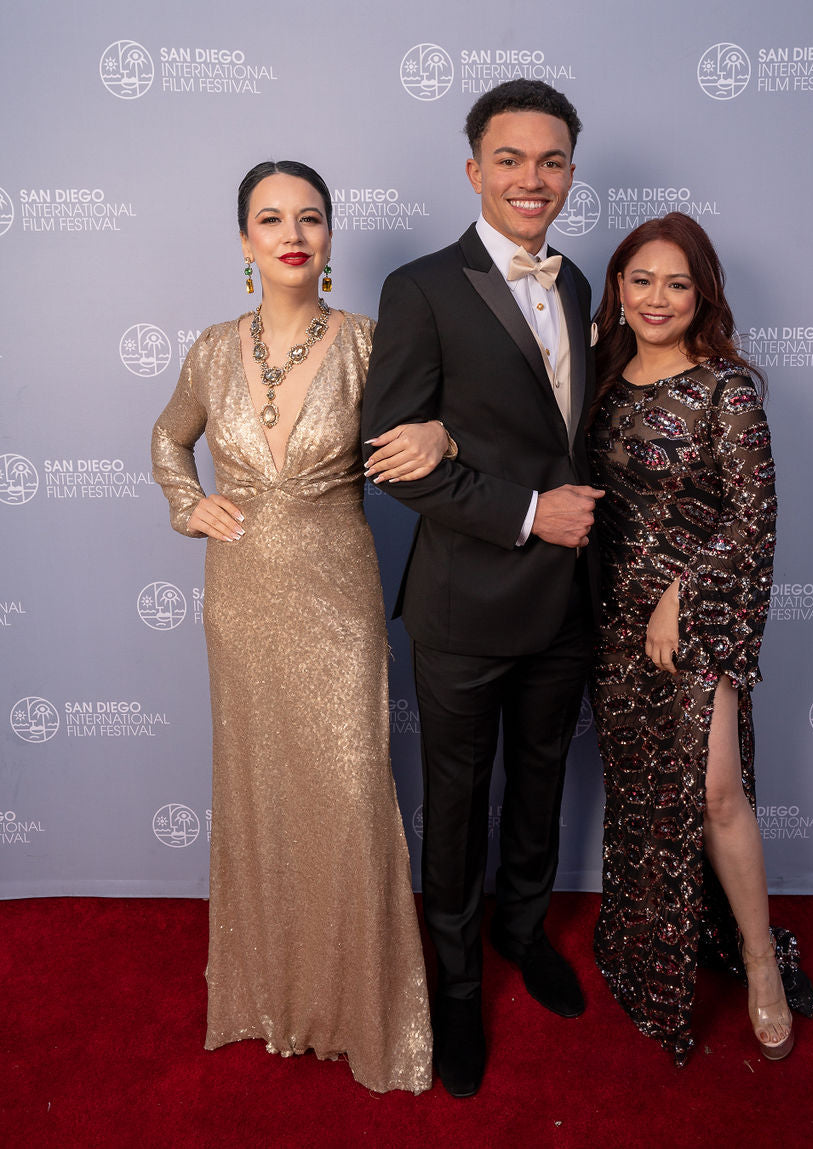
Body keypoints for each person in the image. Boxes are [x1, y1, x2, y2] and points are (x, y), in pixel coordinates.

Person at [151, 160, 448, 1094]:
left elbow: (444, 422)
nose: (292, 234)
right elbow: (169, 437)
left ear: (329, 236)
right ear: (245, 239)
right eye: (271, 218)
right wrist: (187, 503)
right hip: (241, 597)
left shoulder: (368, 343)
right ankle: (273, 995)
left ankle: (362, 1009)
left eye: (310, 217)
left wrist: (441, 433)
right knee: (260, 787)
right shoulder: (210, 350)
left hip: (337, 594)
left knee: (351, 790)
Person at [361, 81, 602, 1098]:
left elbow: (561, 430)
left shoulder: (580, 282)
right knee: (457, 806)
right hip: (464, 606)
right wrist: (527, 512)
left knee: (541, 783)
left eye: (550, 160)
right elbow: (391, 458)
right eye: (510, 159)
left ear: (571, 173)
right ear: (474, 171)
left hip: (566, 602)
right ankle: (457, 985)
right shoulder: (421, 287)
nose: (530, 178)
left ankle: (523, 931)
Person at [587, 212, 813, 1067]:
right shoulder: (599, 378)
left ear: (703, 295)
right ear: (619, 288)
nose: (658, 298)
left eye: (677, 283)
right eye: (642, 280)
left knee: (718, 790)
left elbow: (753, 515)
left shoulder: (727, 390)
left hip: (699, 614)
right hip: (613, 623)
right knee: (641, 793)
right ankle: (651, 939)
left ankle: (759, 961)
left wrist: (680, 598)